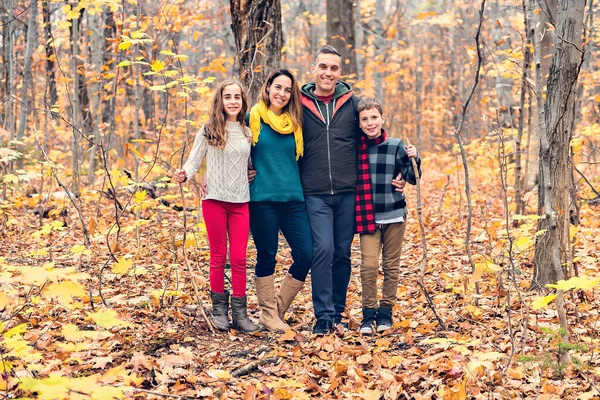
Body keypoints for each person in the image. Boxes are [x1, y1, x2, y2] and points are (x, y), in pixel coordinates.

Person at [299, 45, 406, 334]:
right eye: (323, 67)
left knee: (342, 254)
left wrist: (405, 166)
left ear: (340, 72)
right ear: (314, 70)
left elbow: (376, 137)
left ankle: (337, 312)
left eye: (334, 68)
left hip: (349, 193)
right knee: (323, 249)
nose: (328, 73)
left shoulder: (352, 104)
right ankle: (322, 315)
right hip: (315, 192)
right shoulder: (299, 105)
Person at [173, 80, 258, 333]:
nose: (232, 101)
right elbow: (193, 161)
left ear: (243, 101)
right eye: (227, 96)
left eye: (237, 97)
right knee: (218, 256)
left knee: (240, 257)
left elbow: (248, 164)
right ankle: (219, 310)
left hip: (241, 201)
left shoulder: (247, 132)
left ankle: (241, 314)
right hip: (214, 201)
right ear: (220, 101)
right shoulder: (209, 130)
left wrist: (250, 173)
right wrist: (185, 174)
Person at [247, 68, 313, 332]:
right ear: (268, 88)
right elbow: (235, 151)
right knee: (267, 255)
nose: (282, 94)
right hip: (262, 198)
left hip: (293, 199)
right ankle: (268, 314)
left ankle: (275, 312)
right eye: (278, 88)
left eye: (287, 90)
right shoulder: (252, 118)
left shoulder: (295, 123)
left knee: (306, 255)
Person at [355, 98, 421, 334]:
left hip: (394, 214)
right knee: (369, 265)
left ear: (382, 119)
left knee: (391, 266)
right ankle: (368, 313)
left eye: (374, 117)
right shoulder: (356, 149)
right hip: (368, 217)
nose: (370, 123)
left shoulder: (395, 145)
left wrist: (414, 157)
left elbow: (412, 177)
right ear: (359, 123)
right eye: (365, 119)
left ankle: (386, 313)